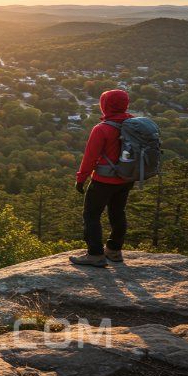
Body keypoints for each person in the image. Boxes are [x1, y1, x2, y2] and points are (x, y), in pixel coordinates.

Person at [70, 89, 133, 267]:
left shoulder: (102, 129)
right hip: (126, 178)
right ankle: (114, 251)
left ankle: (95, 254)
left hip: (104, 180)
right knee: (118, 212)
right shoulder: (133, 124)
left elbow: (90, 157)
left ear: (105, 105)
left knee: (91, 215)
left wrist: (81, 178)